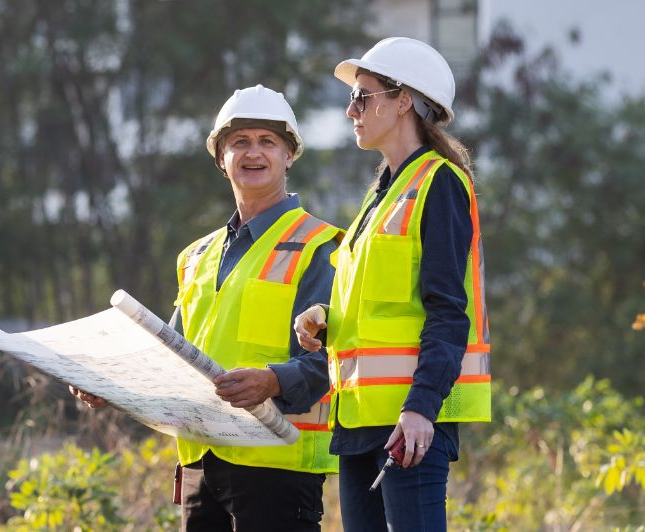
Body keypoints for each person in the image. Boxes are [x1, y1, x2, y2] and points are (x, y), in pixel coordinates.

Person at [72, 85, 341, 531]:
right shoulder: (196, 256)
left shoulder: (320, 247)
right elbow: (170, 359)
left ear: (290, 154)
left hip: (278, 468)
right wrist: (110, 385)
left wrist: (272, 380)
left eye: (267, 142)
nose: (253, 154)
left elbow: (332, 361)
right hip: (201, 462)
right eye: (239, 143)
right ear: (220, 158)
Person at [292, 37, 492, 532]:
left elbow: (448, 311)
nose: (350, 110)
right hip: (359, 424)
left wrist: (421, 408)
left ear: (403, 101)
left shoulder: (438, 183)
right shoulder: (381, 195)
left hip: (409, 425)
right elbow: (384, 309)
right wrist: (326, 321)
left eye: (363, 96)